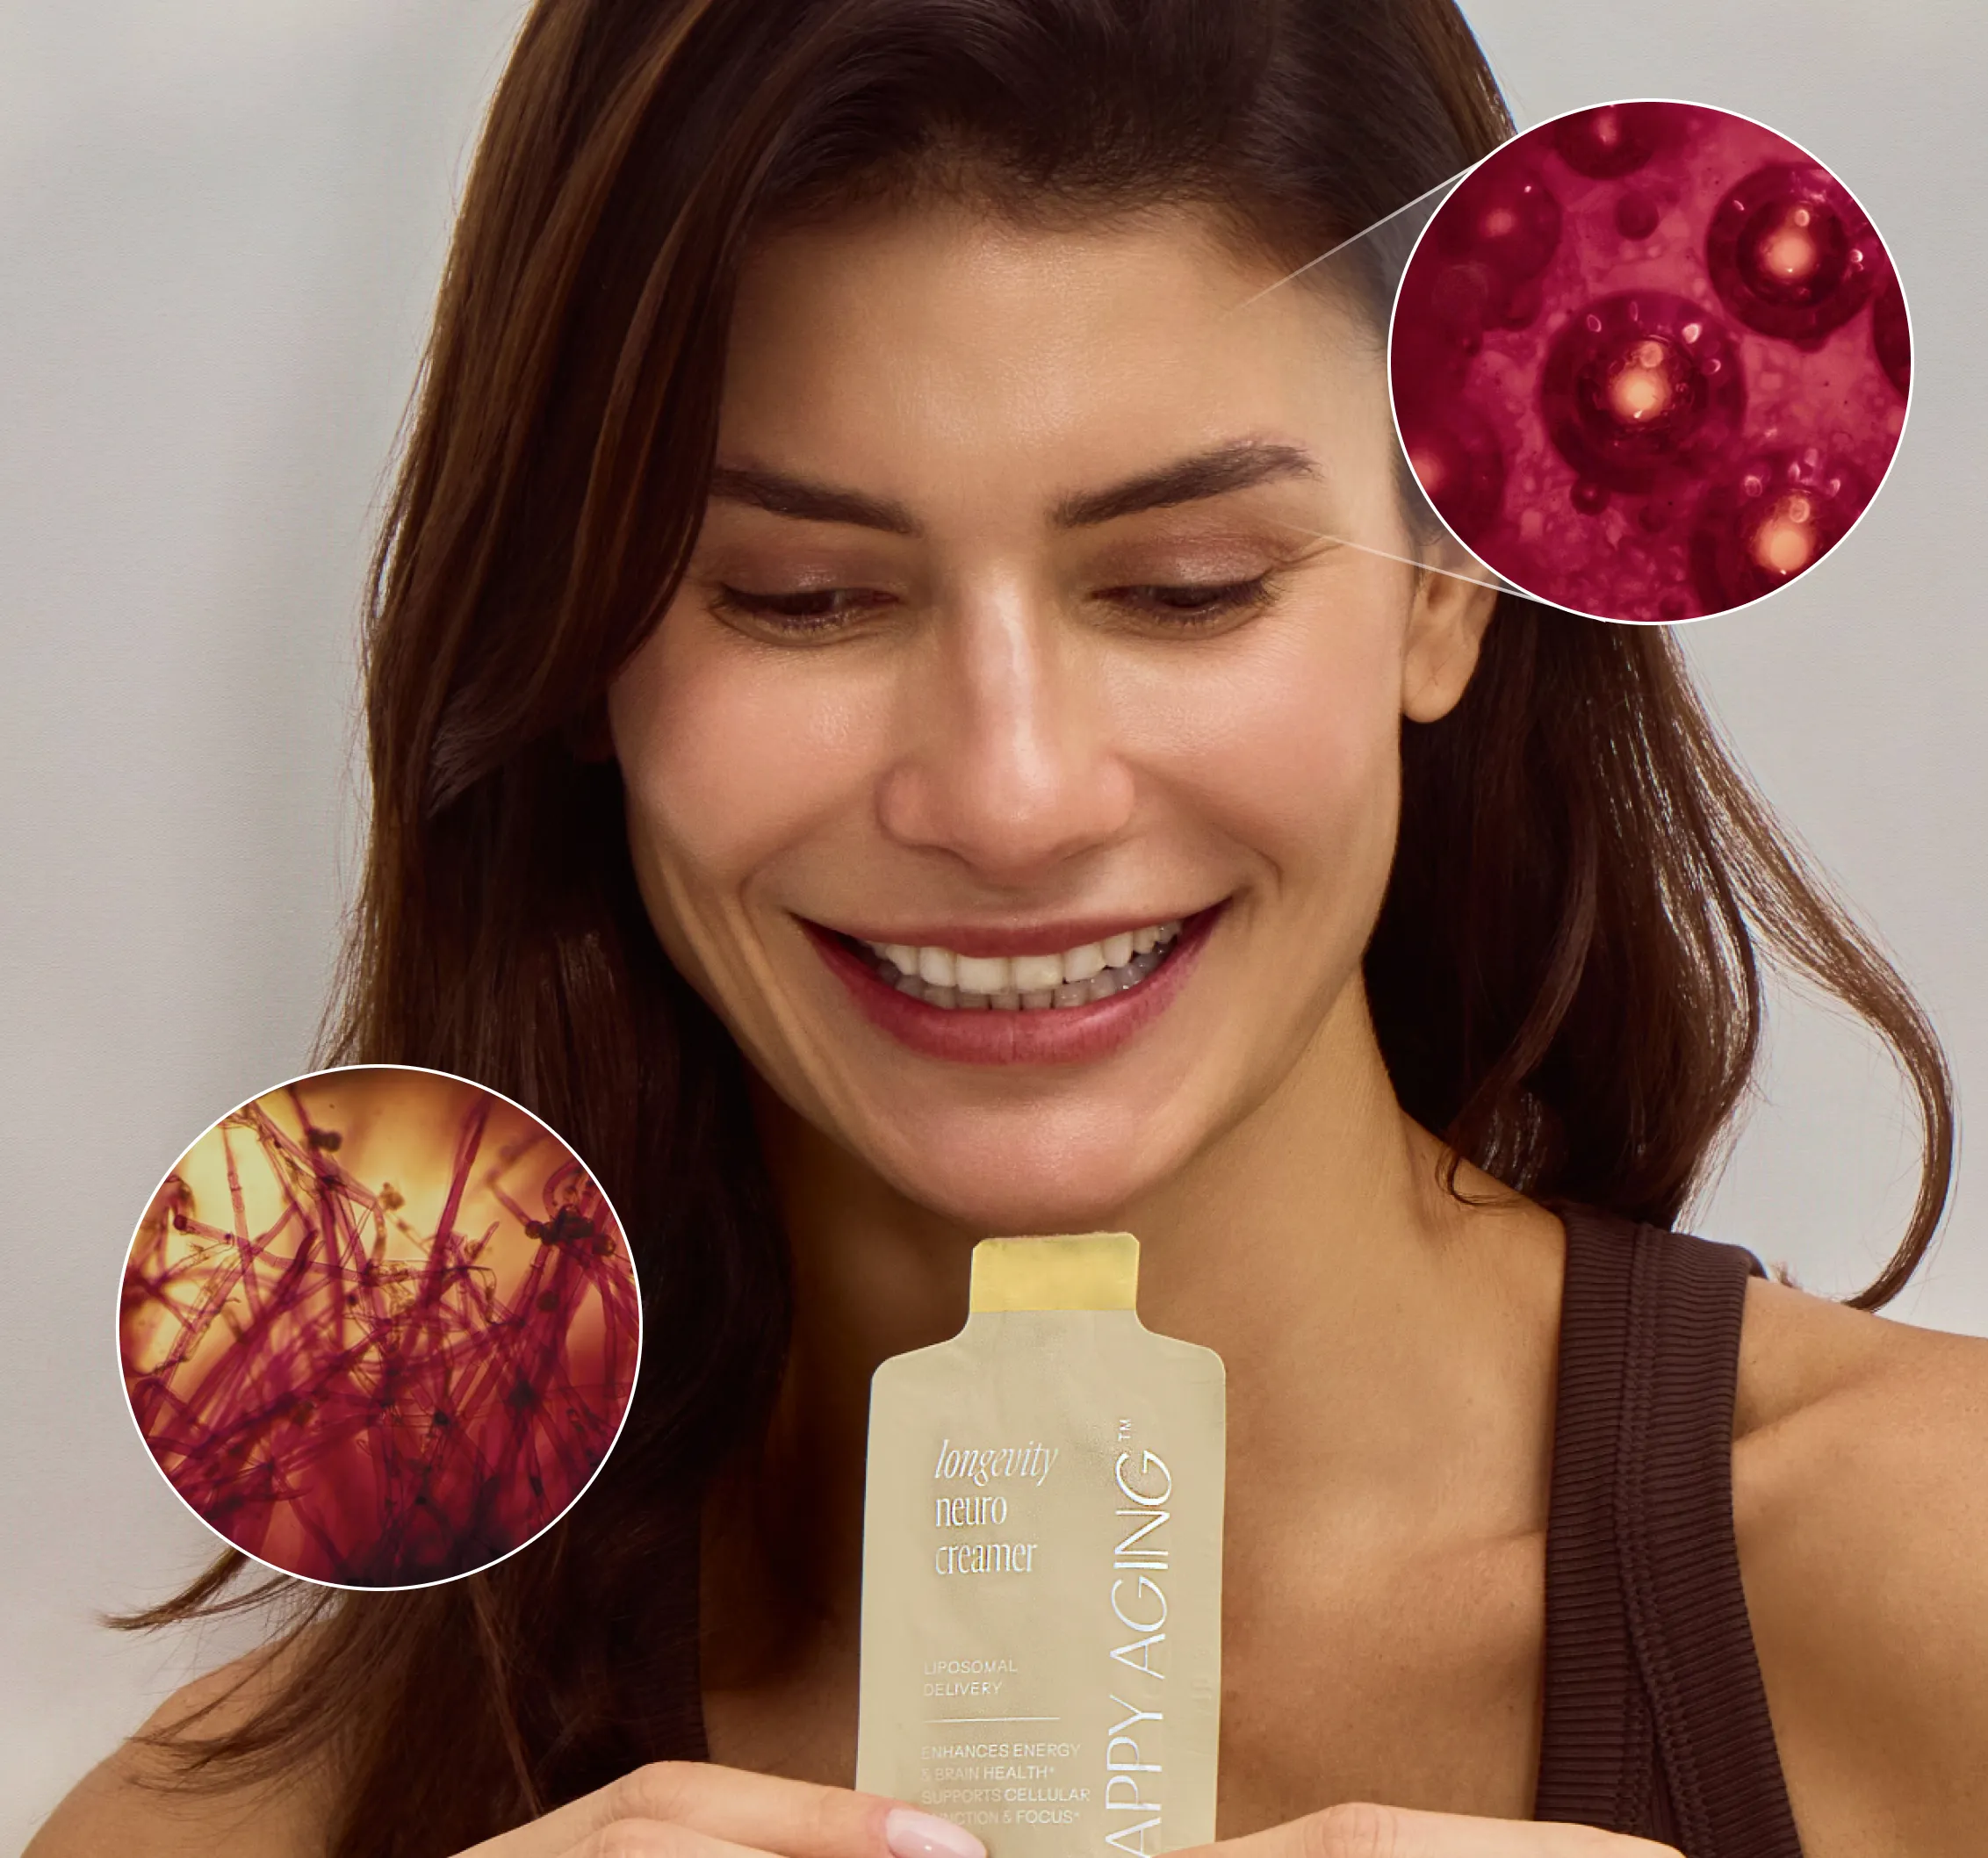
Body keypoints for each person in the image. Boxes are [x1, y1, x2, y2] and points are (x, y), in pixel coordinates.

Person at [30, 1, 1985, 1854]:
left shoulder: (1938, 1582)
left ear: (1443, 584)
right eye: (802, 597)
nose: (1010, 794)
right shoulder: (235, 1825)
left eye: (1187, 585)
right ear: (578, 651)